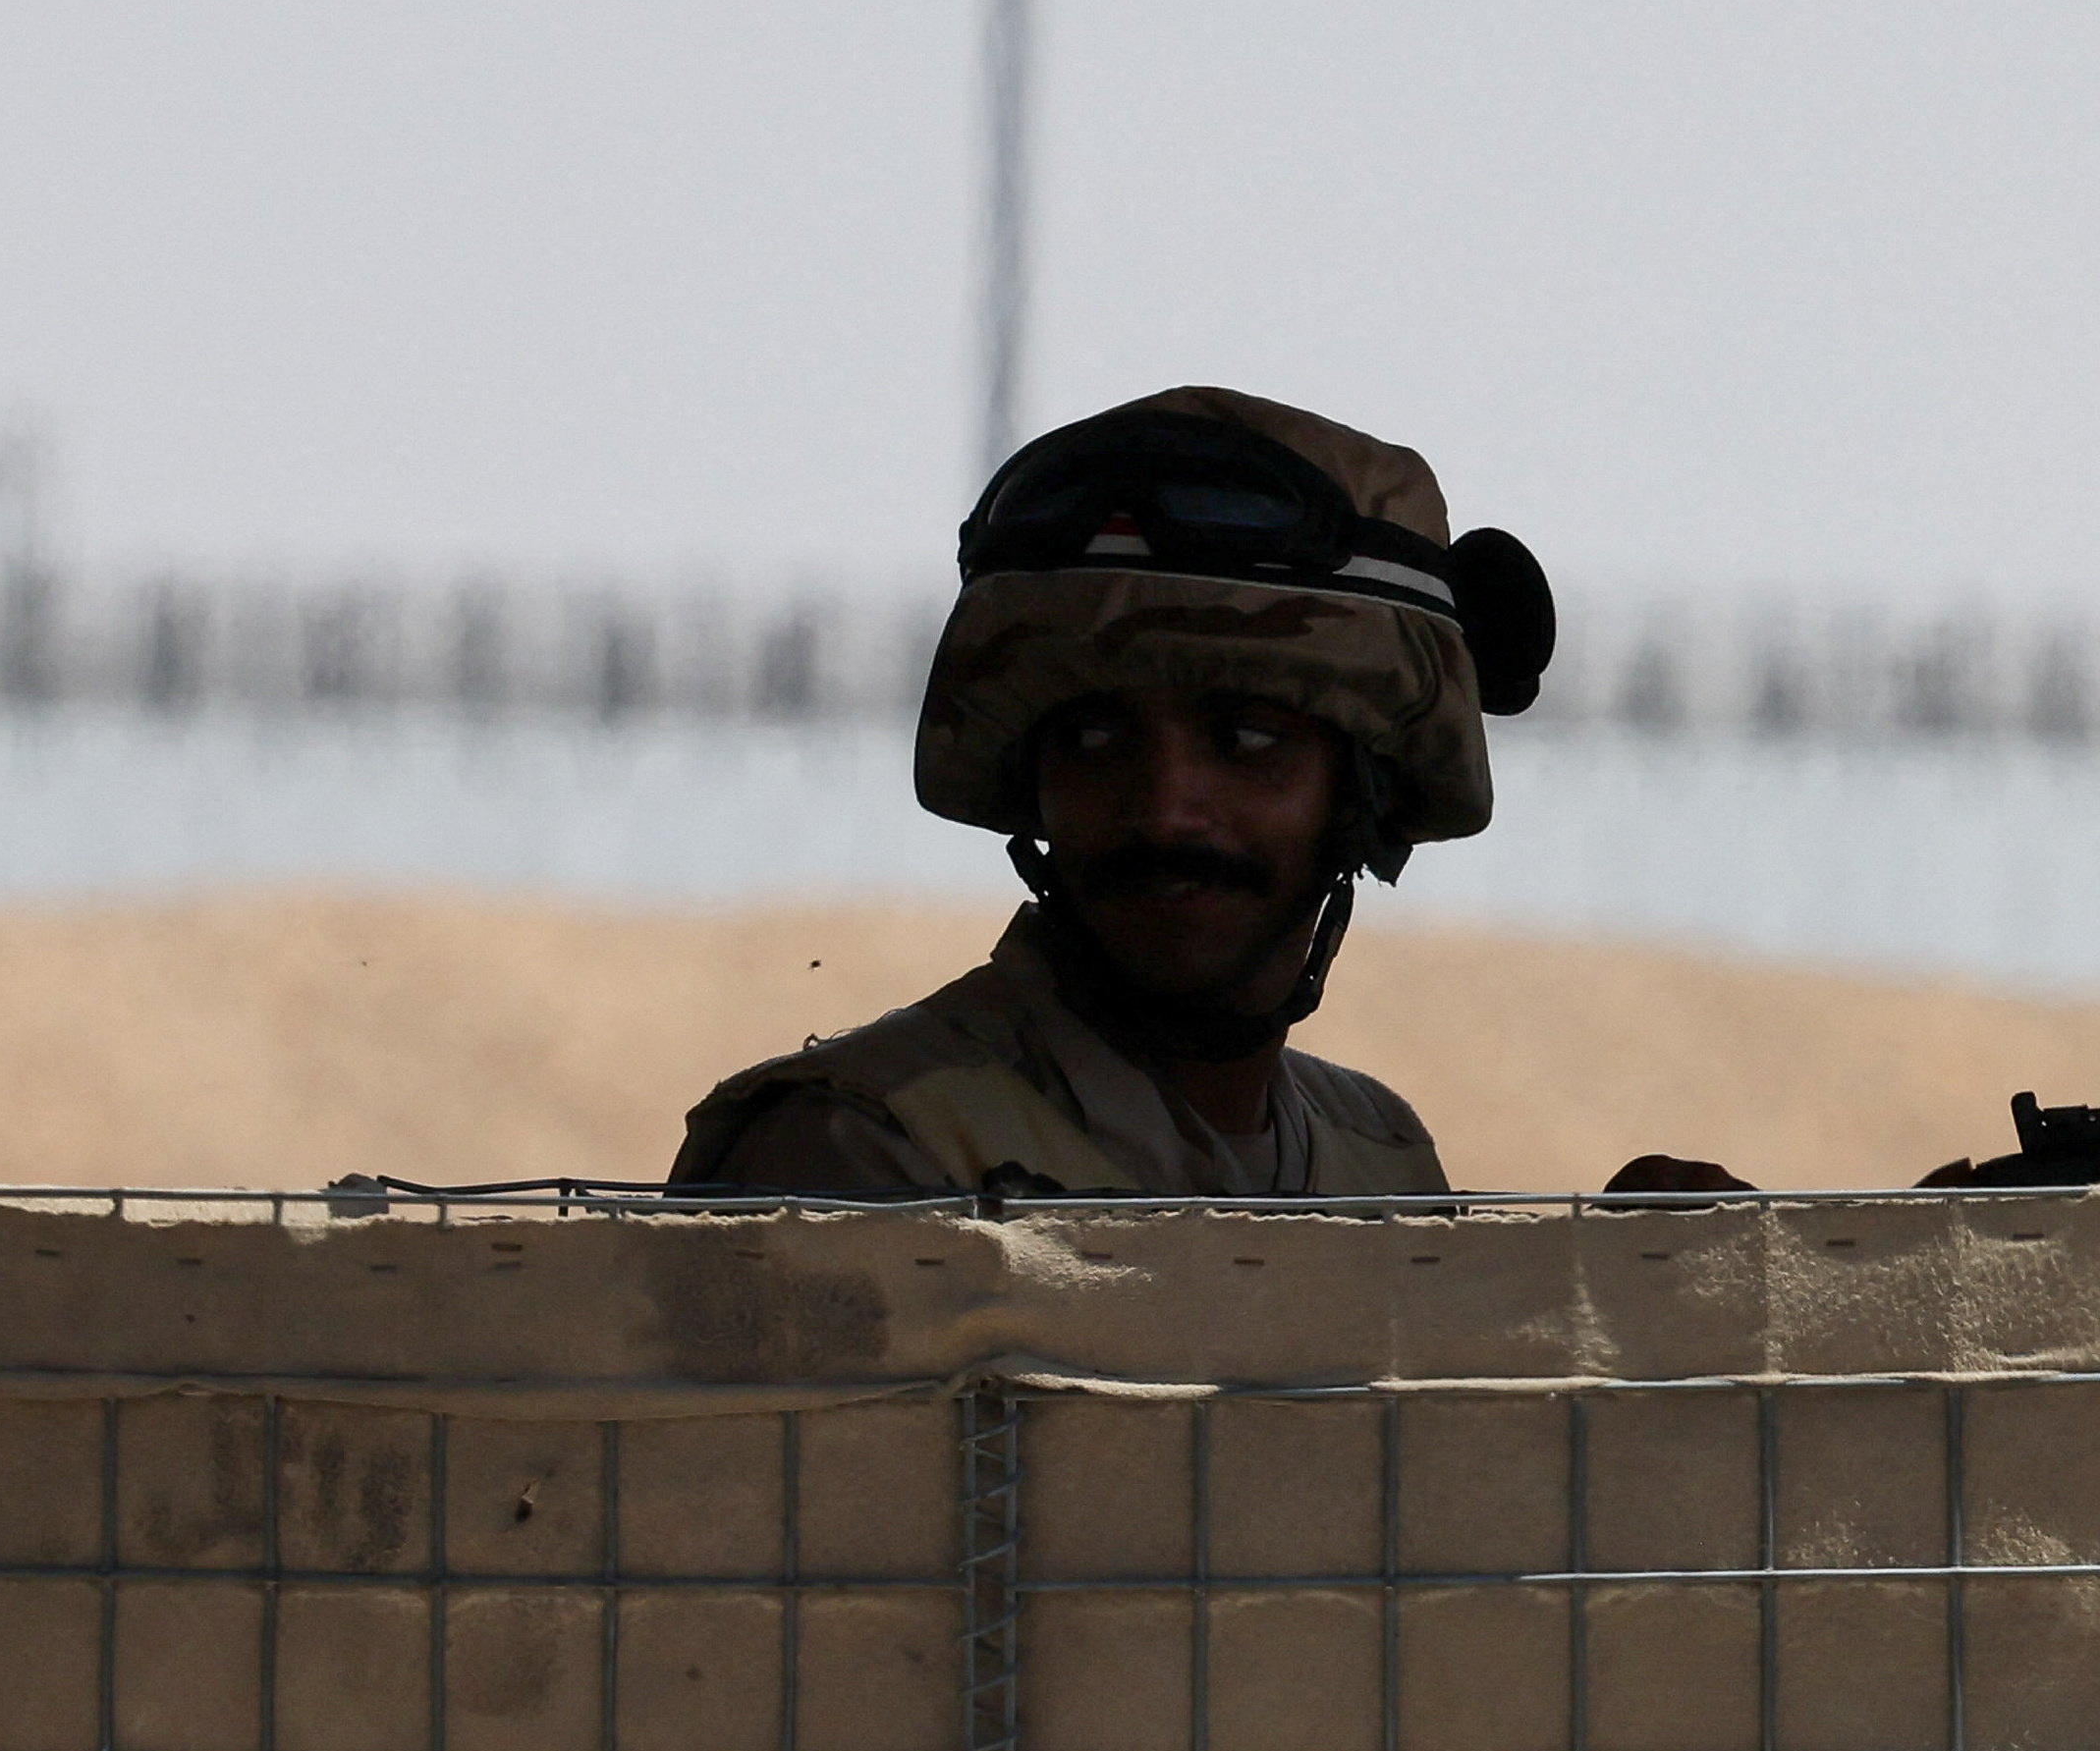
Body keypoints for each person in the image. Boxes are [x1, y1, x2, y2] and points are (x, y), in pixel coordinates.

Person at [673, 386, 1580, 1200]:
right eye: (1095, 739)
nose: (1163, 806)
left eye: (1249, 740)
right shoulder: (866, 1151)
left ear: (1361, 797)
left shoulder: (1379, 1161)